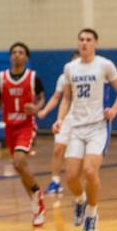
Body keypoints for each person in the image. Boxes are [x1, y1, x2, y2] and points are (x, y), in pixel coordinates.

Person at [53, 29, 117, 231]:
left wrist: (113, 110)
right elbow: (67, 98)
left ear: (95, 43)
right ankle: (80, 200)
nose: (84, 43)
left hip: (97, 126)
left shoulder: (105, 65)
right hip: (76, 127)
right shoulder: (70, 68)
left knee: (89, 170)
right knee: (70, 176)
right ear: (78, 43)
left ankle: (92, 213)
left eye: (89, 40)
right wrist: (60, 119)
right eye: (81, 39)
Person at [0, 42, 46, 226]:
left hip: (26, 126)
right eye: (14, 52)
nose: (17, 55)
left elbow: (42, 98)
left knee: (19, 161)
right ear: (10, 56)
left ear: (26, 57)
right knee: (20, 168)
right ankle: (36, 205)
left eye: (21, 52)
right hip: (9, 127)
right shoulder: (1, 78)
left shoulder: (33, 77)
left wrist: (35, 107)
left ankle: (37, 195)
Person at [38, 51, 82, 196]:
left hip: (84, 120)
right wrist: (45, 111)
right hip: (67, 118)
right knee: (58, 149)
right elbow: (58, 97)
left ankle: (78, 184)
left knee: (77, 155)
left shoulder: (92, 76)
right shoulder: (64, 77)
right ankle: (55, 182)